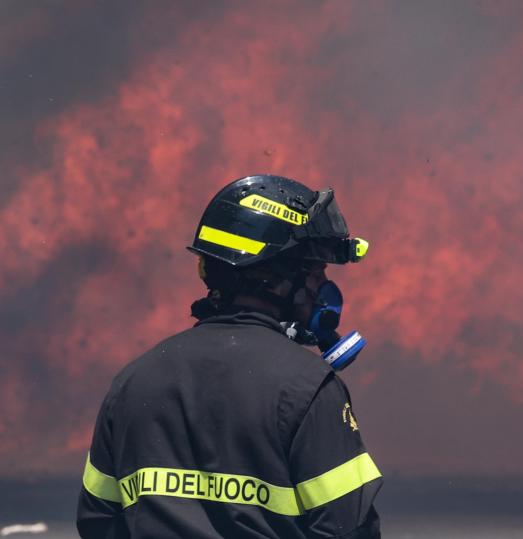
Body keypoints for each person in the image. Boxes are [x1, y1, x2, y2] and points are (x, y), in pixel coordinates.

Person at [77, 175, 382, 538]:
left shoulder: (133, 382)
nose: (322, 287)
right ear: (278, 278)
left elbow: (97, 521)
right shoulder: (309, 389)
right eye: (316, 271)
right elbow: (348, 528)